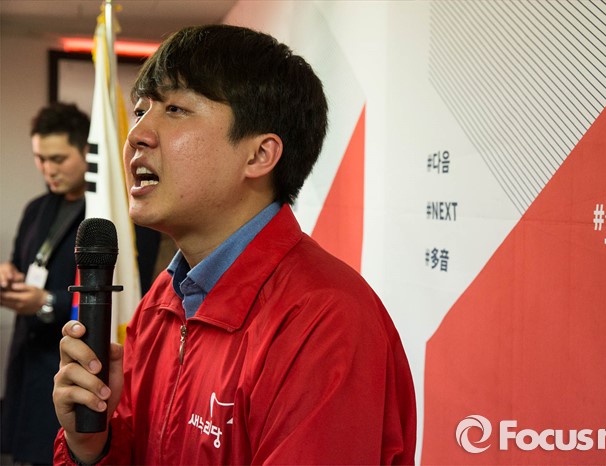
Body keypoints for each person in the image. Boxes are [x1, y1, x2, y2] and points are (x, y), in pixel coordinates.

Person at [53, 24, 417, 465]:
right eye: (142, 109)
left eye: (175, 109)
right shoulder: (162, 302)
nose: (137, 134)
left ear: (259, 155)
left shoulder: (326, 320)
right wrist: (91, 445)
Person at [0, 103, 90, 465]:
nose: (48, 169)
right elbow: (21, 264)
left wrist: (47, 302)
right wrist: (8, 274)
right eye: (40, 158)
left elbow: (122, 299)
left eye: (58, 159)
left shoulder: (105, 214)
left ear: (85, 150)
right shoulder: (37, 208)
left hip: (70, 366)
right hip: (26, 361)